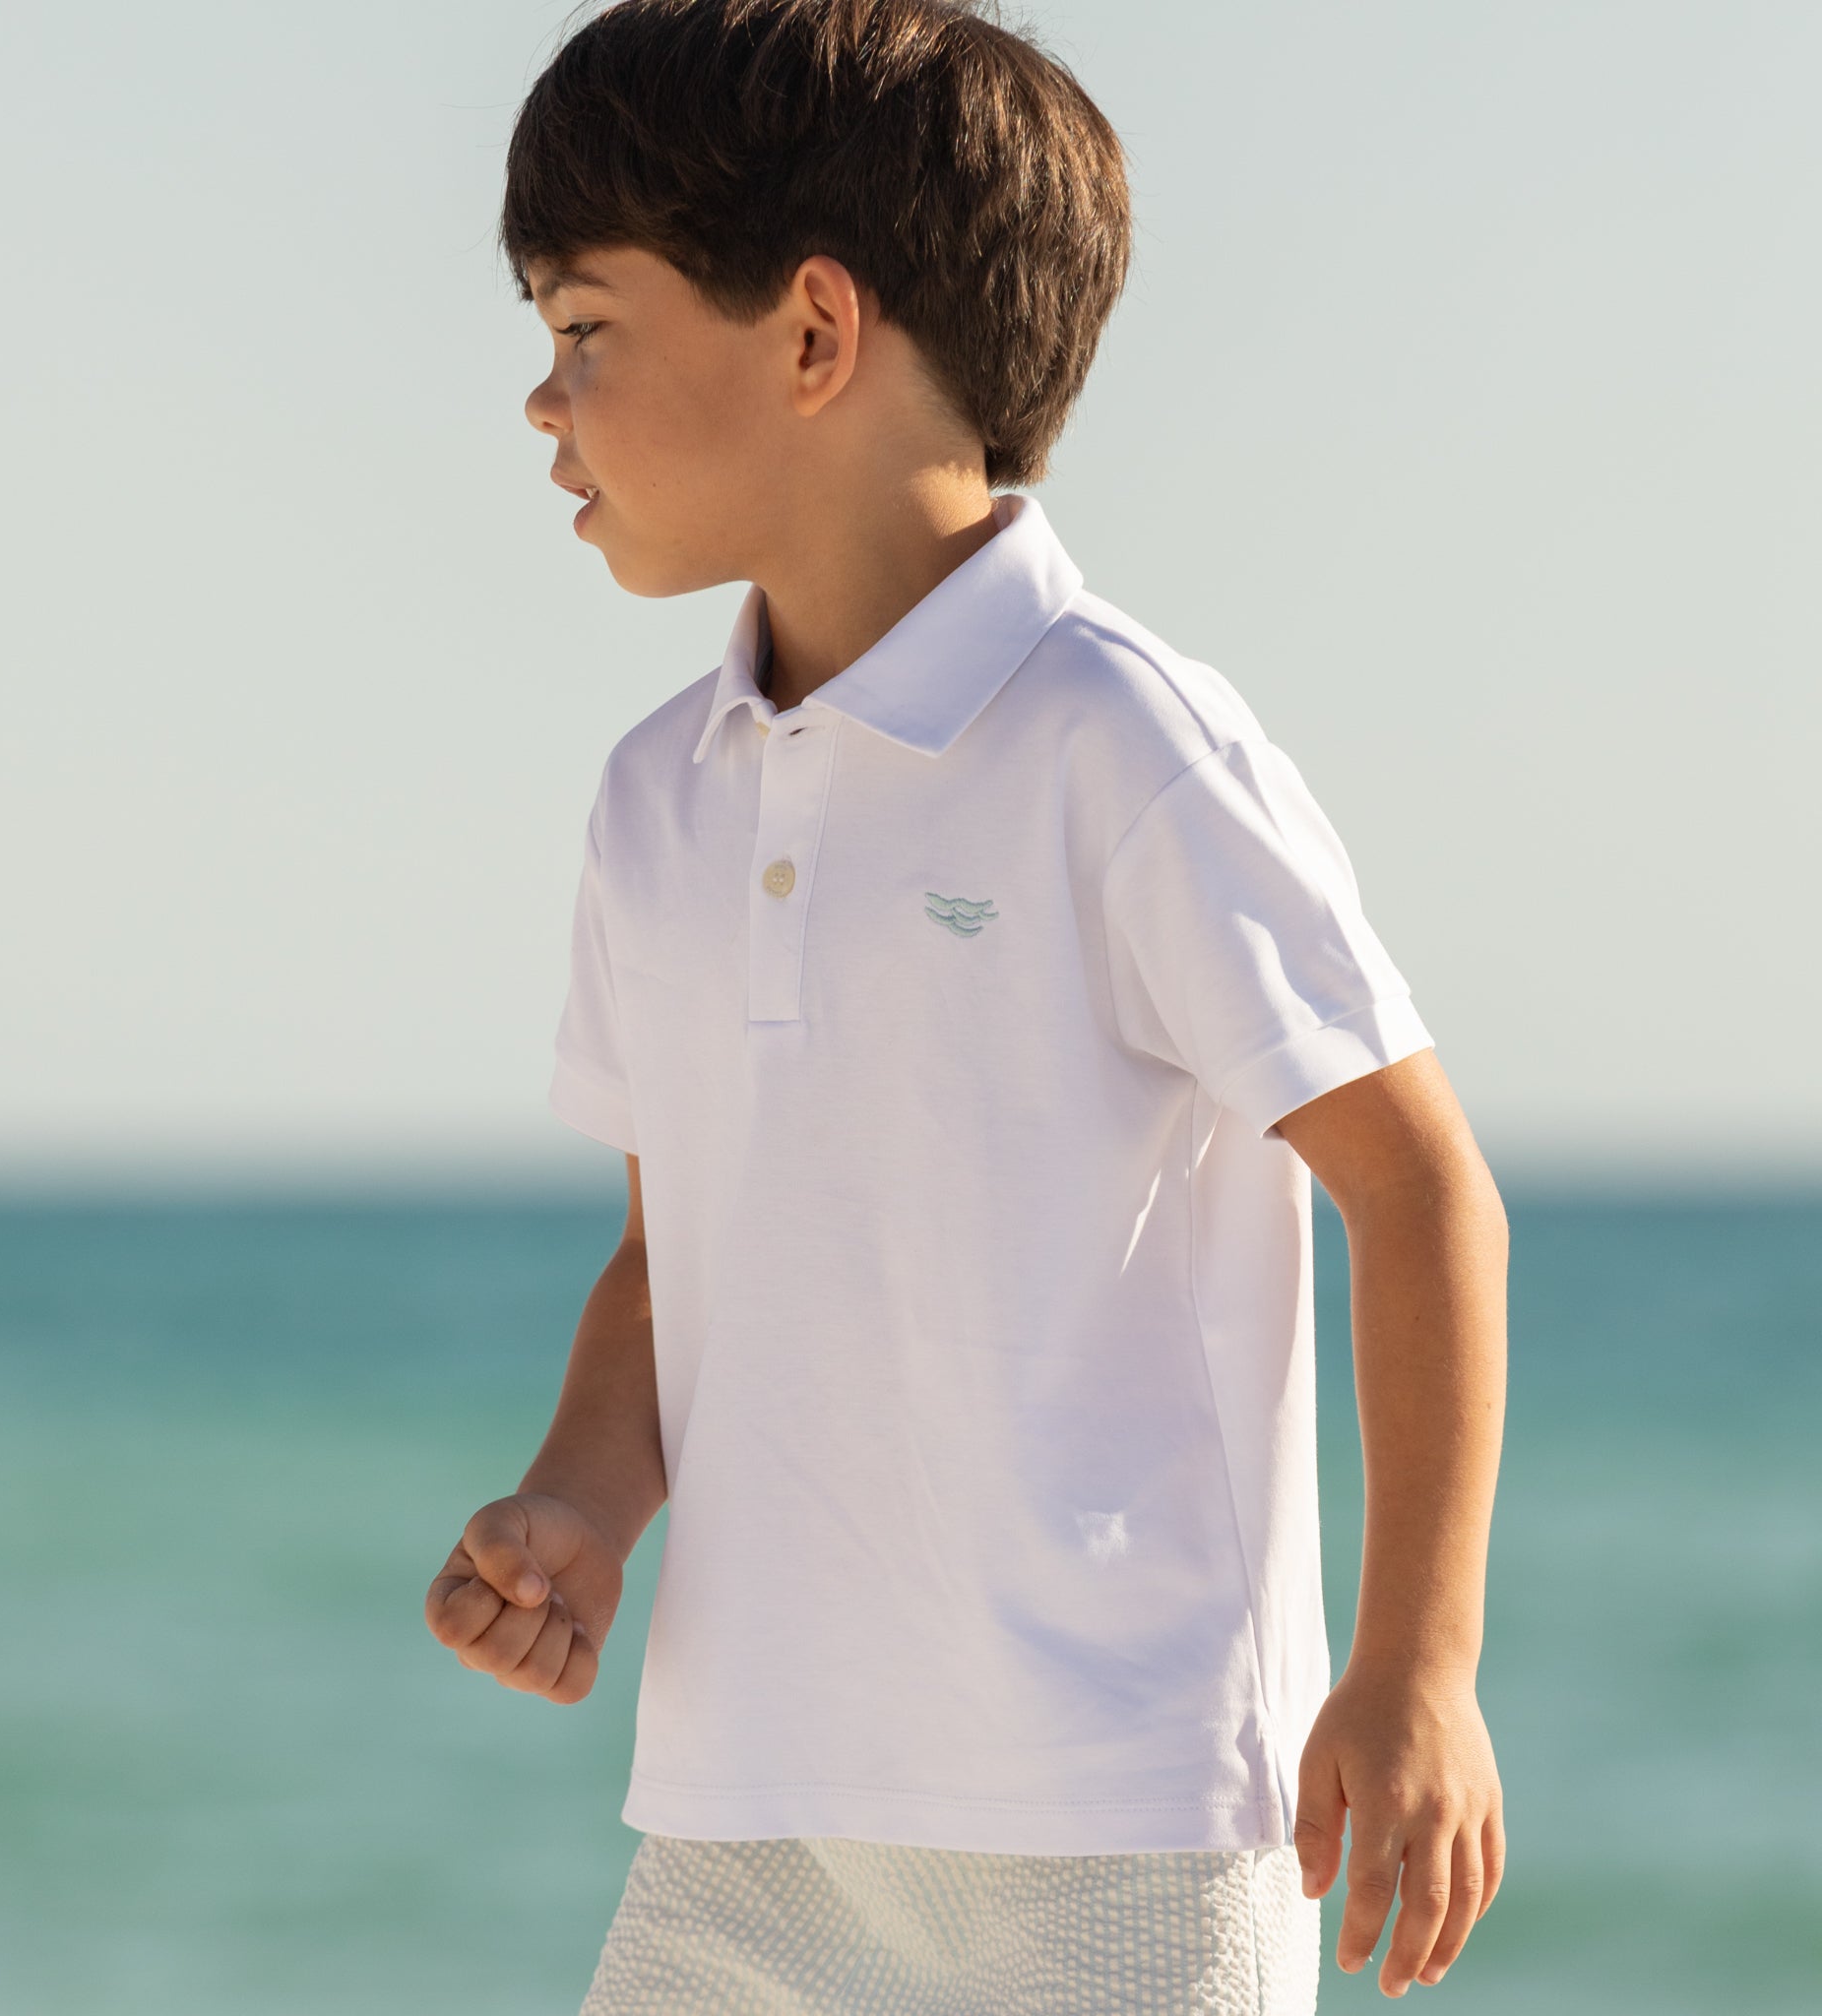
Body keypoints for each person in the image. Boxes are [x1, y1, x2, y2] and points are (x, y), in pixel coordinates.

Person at [422, 2, 1509, 2008]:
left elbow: (1419, 1185)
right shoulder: (658, 798)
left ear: (813, 334)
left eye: (584, 327)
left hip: (1122, 1830)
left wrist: (1415, 1670)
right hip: (749, 1821)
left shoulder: (1127, 743)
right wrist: (579, 1501)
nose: (541, 399)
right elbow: (675, 1261)